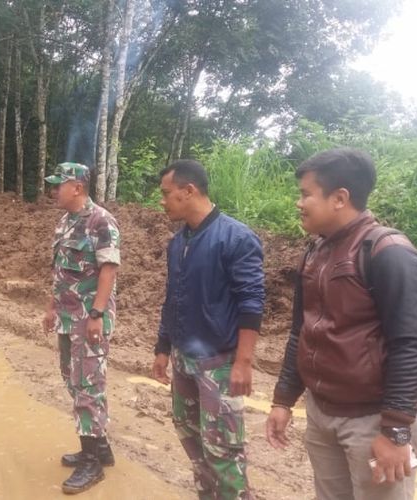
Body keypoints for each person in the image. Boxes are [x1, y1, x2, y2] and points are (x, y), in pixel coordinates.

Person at [266, 148, 417, 500]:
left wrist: (397, 431)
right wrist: (283, 400)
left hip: (373, 421)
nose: (299, 203)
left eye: (306, 194)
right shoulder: (315, 252)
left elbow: (411, 345)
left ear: (340, 197)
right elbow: (301, 331)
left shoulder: (388, 252)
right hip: (322, 412)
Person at [152, 159, 265, 499]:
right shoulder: (178, 242)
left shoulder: (236, 238)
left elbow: (251, 303)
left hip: (219, 363)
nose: (162, 201)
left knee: (224, 449)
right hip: (183, 358)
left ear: (189, 191)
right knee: (189, 434)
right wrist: (162, 347)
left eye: (167, 193)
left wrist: (243, 362)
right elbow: (173, 296)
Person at [42, 162, 120, 495]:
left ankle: (92, 464)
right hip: (66, 317)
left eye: (59, 184)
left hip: (89, 318)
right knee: (72, 380)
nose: (53, 190)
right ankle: (99, 448)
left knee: (88, 386)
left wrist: (97, 314)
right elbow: (60, 271)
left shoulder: (100, 221)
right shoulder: (65, 222)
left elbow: (108, 269)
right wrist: (50, 307)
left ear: (77, 187)